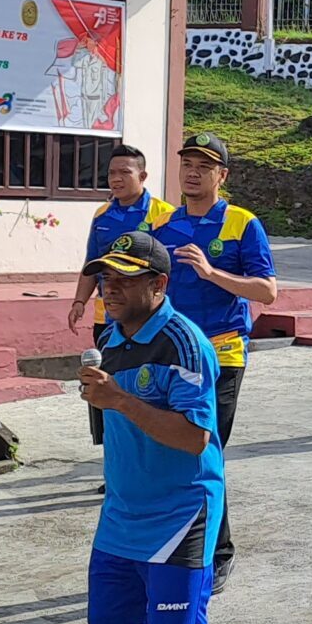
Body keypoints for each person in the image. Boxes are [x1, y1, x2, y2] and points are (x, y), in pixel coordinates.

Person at [78, 231, 226, 624]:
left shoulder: (183, 342)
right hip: (121, 518)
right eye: (105, 278)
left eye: (124, 278)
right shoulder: (108, 339)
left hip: (180, 517)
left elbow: (193, 438)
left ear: (159, 284)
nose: (110, 288)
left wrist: (119, 399)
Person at [153, 133, 277, 590]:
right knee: (167, 449)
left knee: (205, 448)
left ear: (221, 175)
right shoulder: (163, 228)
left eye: (204, 166)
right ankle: (171, 542)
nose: (192, 172)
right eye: (187, 163)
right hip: (173, 355)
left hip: (222, 354)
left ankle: (217, 552)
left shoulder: (243, 224)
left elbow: (266, 291)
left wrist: (211, 273)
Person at [70, 146, 176, 446]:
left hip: (147, 319)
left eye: (124, 173)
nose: (116, 179)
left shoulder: (163, 214)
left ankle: (149, 447)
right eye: (111, 173)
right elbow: (91, 263)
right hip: (109, 317)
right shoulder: (102, 214)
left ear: (142, 176)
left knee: (144, 387)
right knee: (107, 386)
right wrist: (79, 301)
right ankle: (113, 454)